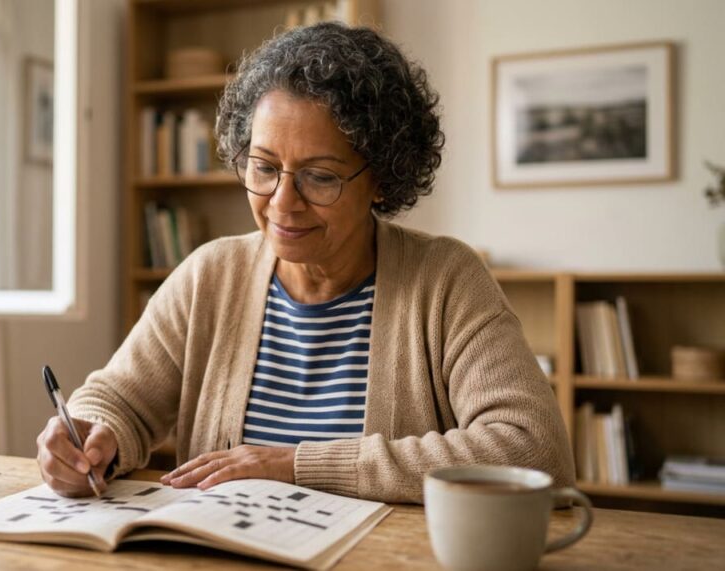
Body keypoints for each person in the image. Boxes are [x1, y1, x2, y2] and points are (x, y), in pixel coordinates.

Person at [36, 22, 573, 502]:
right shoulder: (210, 276)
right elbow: (119, 399)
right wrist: (91, 433)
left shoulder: (446, 281)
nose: (282, 203)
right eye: (264, 167)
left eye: (320, 177)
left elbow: (531, 450)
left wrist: (297, 465)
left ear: (382, 178)